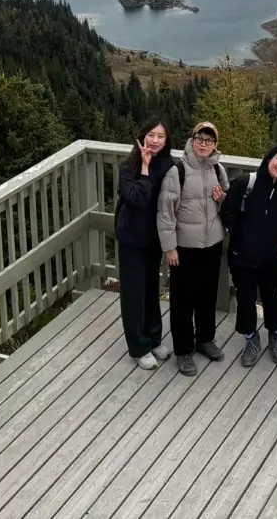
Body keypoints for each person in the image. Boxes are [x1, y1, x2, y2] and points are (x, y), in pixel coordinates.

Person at [157, 120, 230, 376]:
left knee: (207, 296)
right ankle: (184, 350)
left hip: (212, 244)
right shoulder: (177, 171)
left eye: (209, 140)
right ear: (192, 139)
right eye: (200, 138)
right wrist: (170, 248)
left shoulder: (218, 169)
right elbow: (165, 214)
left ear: (215, 145)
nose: (203, 144)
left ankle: (205, 339)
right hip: (185, 247)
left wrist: (222, 199)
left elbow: (225, 204)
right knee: (182, 300)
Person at [222, 142, 277, 367]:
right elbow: (228, 212)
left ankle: (276, 335)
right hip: (242, 254)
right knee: (245, 298)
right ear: (268, 159)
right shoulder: (247, 182)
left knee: (272, 296)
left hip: (270, 256)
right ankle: (250, 338)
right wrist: (239, 236)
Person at [115, 119, 176, 369]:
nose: (155, 140)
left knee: (152, 289)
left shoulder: (169, 166)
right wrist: (144, 167)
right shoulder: (127, 168)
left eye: (161, 136)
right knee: (134, 294)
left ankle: (153, 338)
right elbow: (138, 199)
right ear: (142, 137)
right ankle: (138, 346)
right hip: (132, 238)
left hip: (154, 238)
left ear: (167, 140)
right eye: (151, 135)